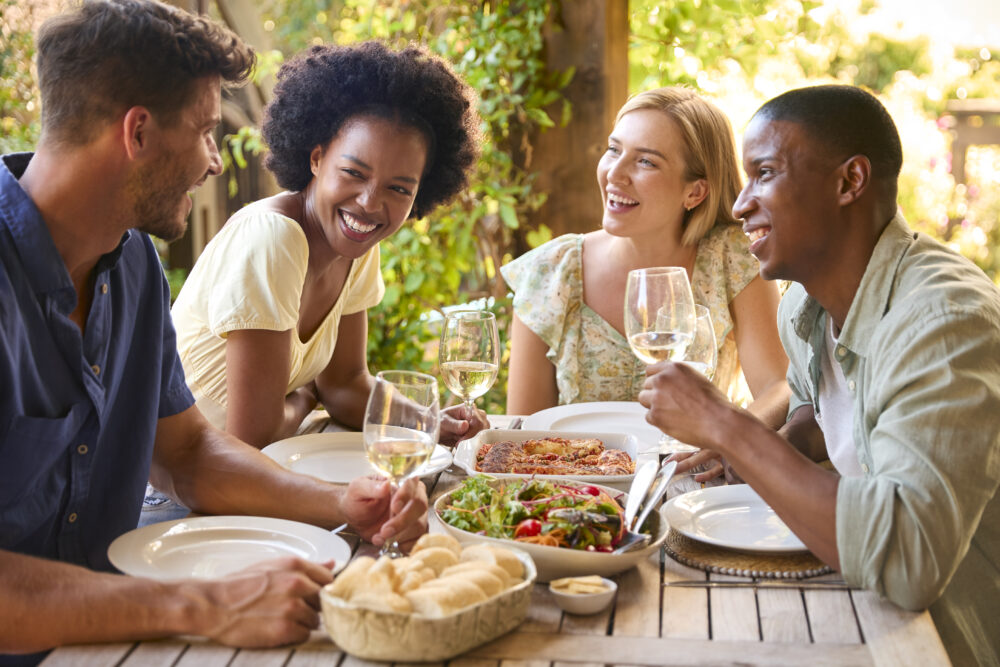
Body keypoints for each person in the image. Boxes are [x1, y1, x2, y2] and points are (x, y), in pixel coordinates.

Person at [0, 2, 427, 663]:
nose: (214, 164)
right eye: (205, 133)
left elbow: (189, 455)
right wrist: (205, 603)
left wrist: (344, 502)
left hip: (120, 638)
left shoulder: (135, 263)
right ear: (137, 132)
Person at [638, 84, 1000, 666]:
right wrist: (769, 451)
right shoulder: (804, 307)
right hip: (851, 608)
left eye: (764, 172)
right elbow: (817, 413)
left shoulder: (943, 323)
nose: (740, 203)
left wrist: (729, 427)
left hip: (945, 642)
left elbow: (909, 560)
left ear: (848, 181)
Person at [169, 40, 487, 450]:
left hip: (258, 472)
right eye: (354, 172)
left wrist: (428, 421)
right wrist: (305, 396)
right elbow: (252, 438)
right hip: (175, 491)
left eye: (398, 188)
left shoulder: (357, 245)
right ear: (316, 158)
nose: (371, 203)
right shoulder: (273, 238)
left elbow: (344, 385)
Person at [501, 86, 789, 476]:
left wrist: (732, 439)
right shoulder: (552, 271)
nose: (615, 174)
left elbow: (778, 388)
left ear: (695, 191)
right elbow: (524, 432)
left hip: (694, 488)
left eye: (646, 162)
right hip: (574, 492)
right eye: (613, 150)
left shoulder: (732, 257)